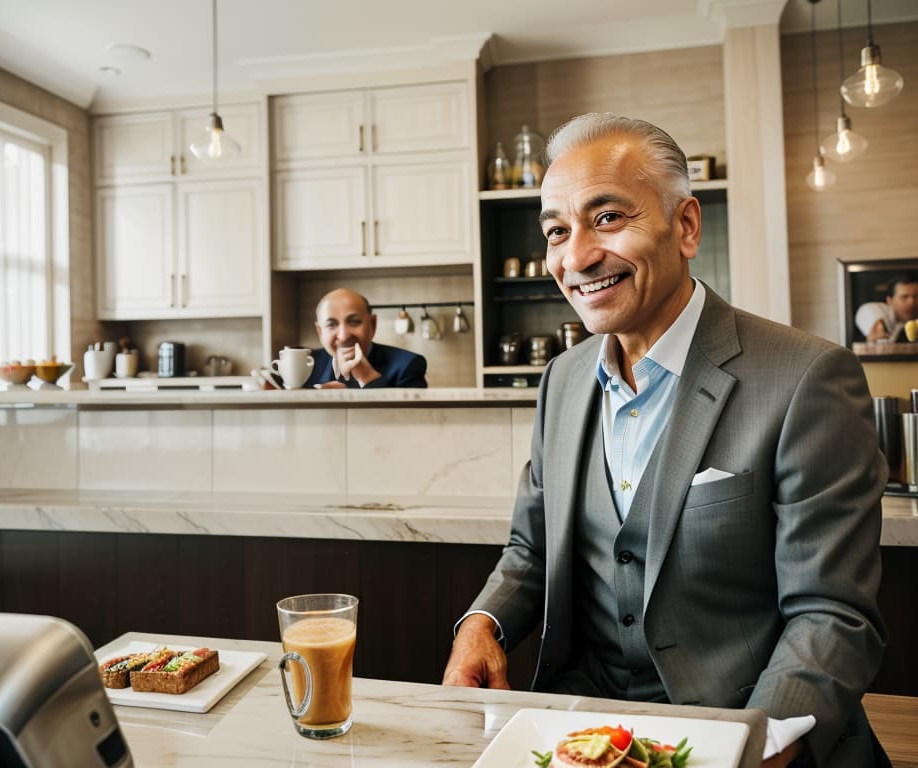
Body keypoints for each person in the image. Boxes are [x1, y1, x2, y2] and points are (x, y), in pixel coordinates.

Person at [442, 113, 887, 768]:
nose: (576, 256)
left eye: (608, 218)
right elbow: (530, 547)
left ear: (685, 226)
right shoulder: (562, 381)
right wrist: (483, 624)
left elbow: (830, 617)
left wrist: (754, 748)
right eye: (557, 231)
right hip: (580, 732)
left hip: (745, 734)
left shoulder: (806, 378)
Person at [305, 288, 427, 388]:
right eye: (331, 324)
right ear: (320, 332)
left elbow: (408, 417)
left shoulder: (408, 366)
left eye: (354, 322)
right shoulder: (302, 364)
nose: (343, 336)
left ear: (372, 325)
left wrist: (368, 377)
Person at [854, 272, 918, 342]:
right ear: (889, 301)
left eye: (916, 296)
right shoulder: (874, 312)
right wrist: (878, 325)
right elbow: (866, 310)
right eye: (904, 297)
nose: (912, 303)